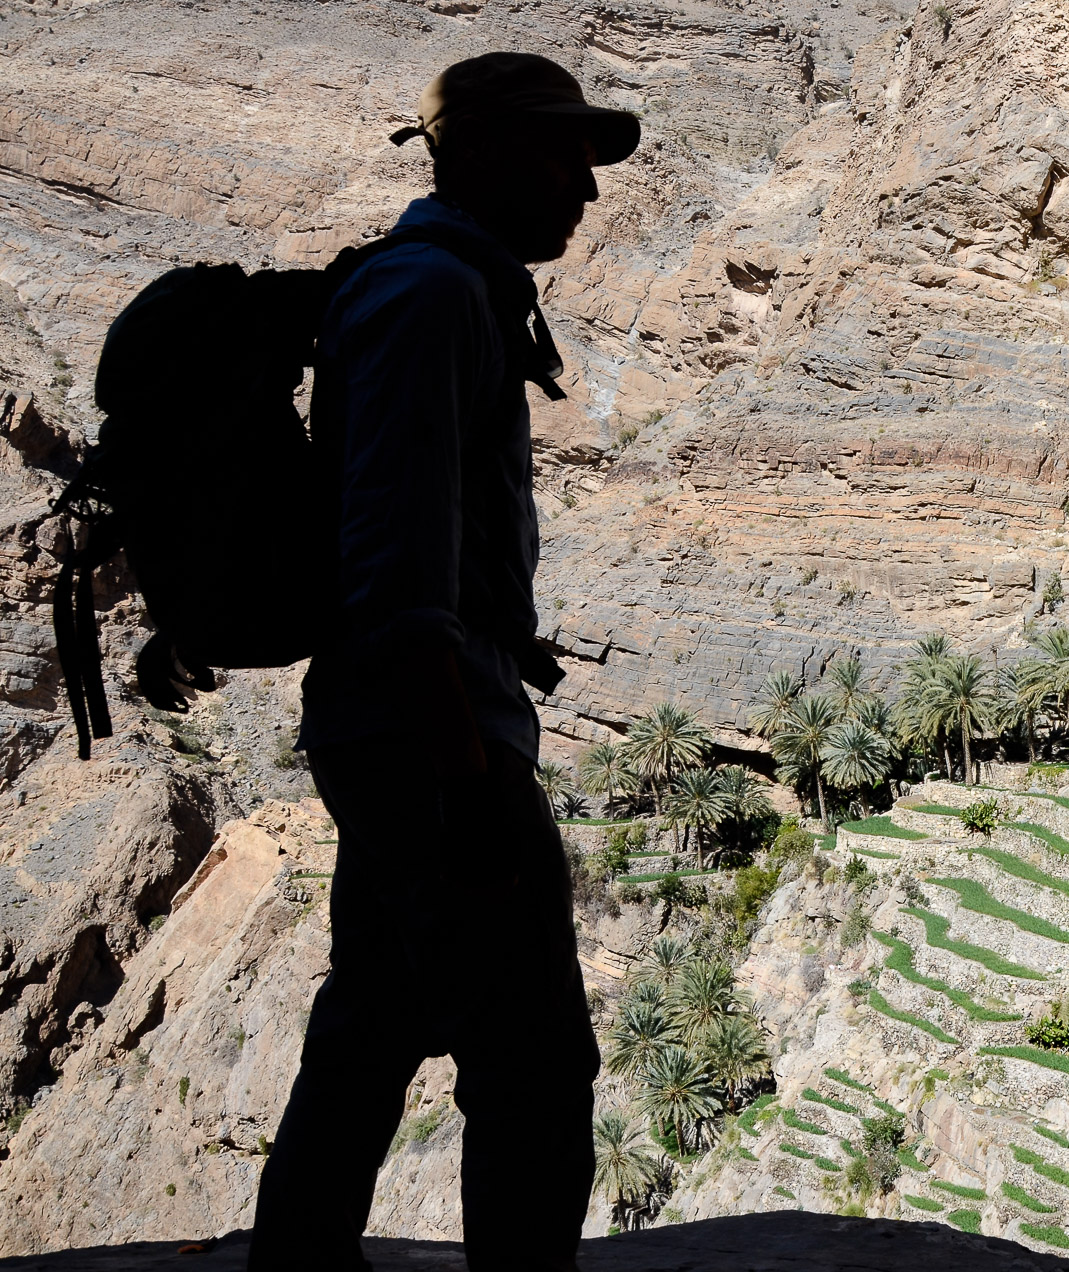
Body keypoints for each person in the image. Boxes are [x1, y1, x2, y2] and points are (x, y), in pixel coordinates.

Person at [247, 54, 637, 1272]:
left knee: (375, 1013)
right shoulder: (430, 297)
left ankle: (295, 1264)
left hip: (396, 725)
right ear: (478, 156)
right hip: (427, 732)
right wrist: (466, 777)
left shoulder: (451, 286)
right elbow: (399, 568)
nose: (585, 184)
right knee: (532, 1054)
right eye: (561, 152)